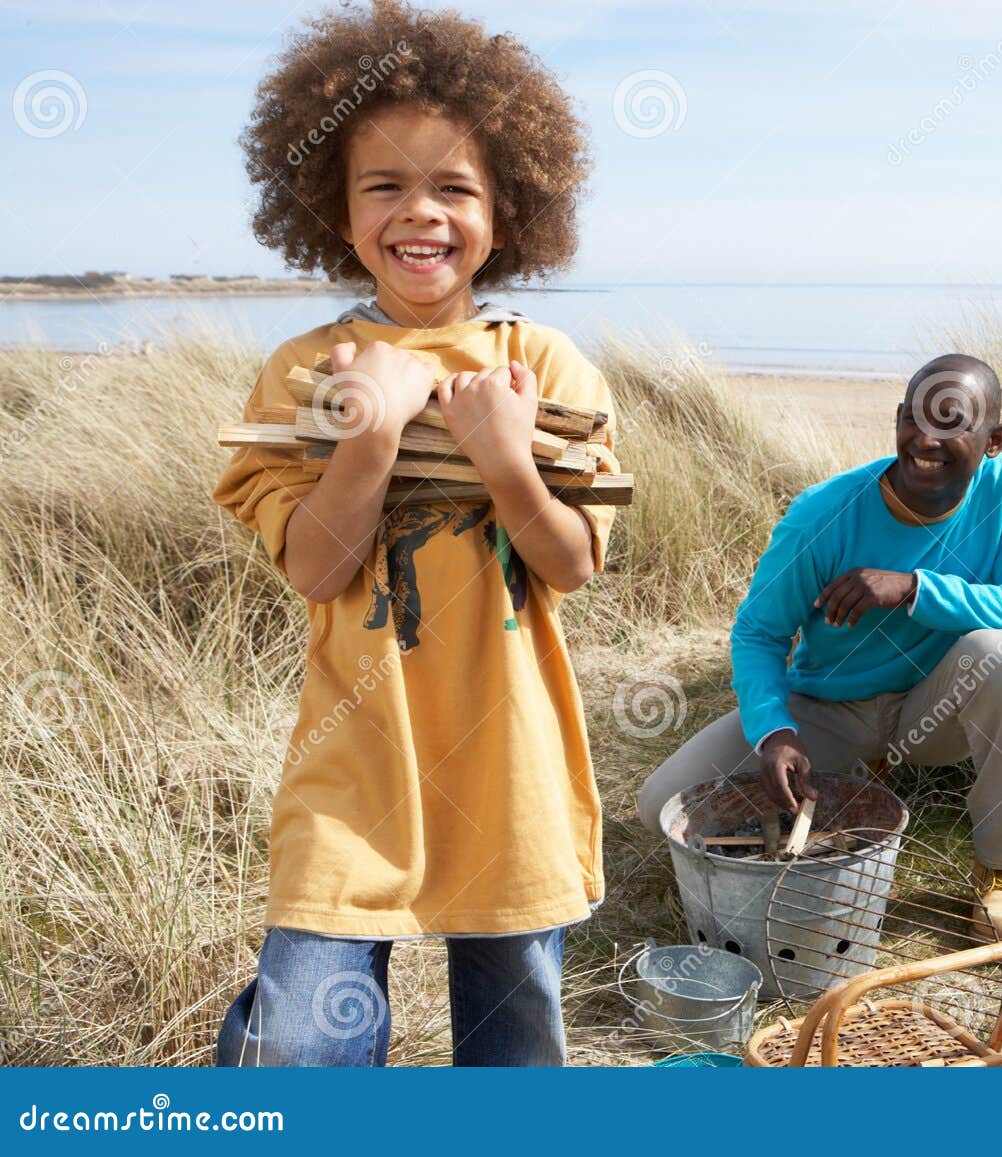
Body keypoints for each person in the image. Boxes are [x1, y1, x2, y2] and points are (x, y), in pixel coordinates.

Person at [211, 0, 618, 1066]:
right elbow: (317, 567)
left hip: (510, 769)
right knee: (300, 1048)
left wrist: (505, 458)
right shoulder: (307, 370)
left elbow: (570, 564)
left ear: (506, 206)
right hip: (353, 772)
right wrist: (371, 434)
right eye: (383, 185)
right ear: (335, 210)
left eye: (453, 186)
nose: (418, 212)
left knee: (514, 1046)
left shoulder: (546, 362)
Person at [637, 354, 1002, 939]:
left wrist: (912, 588)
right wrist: (774, 732)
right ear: (896, 420)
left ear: (994, 439)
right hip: (829, 714)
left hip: (935, 711)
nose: (928, 439)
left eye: (952, 421)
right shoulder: (823, 512)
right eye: (915, 418)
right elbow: (759, 634)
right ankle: (842, 785)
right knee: (658, 802)